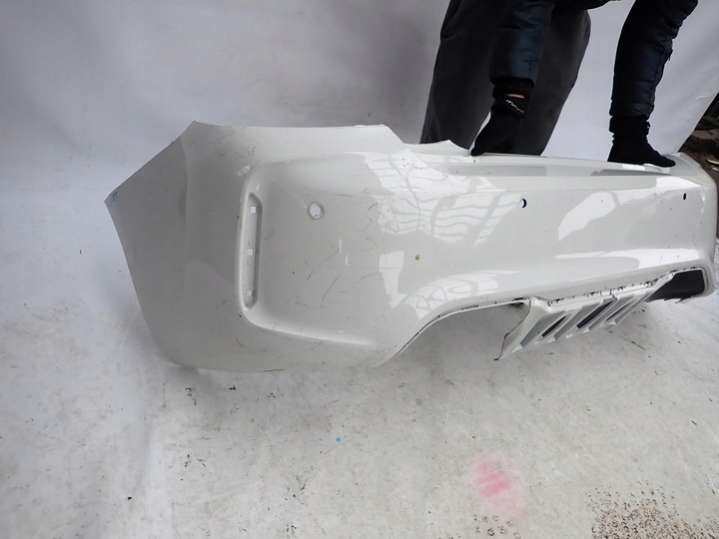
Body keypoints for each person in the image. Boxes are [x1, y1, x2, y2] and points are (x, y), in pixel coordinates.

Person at [472, 0, 698, 167]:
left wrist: (630, 130)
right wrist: (513, 96)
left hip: (569, 8)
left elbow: (653, 30)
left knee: (520, 153)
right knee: (459, 133)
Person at [421, 0, 593, 156]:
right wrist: (515, 91)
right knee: (444, 147)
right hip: (491, 8)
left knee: (520, 157)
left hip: (568, 13)